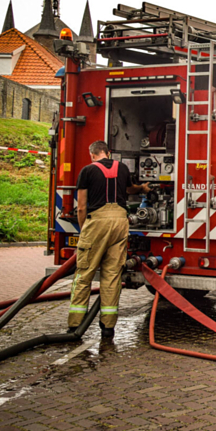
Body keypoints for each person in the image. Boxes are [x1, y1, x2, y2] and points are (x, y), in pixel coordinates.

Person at [68, 140, 150, 338]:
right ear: (108, 152)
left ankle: (75, 325)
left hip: (97, 222)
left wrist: (83, 230)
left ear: (92, 154)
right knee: (112, 275)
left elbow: (81, 206)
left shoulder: (87, 171)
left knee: (84, 274)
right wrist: (143, 189)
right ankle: (108, 327)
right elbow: (129, 189)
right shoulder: (122, 168)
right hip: (120, 223)